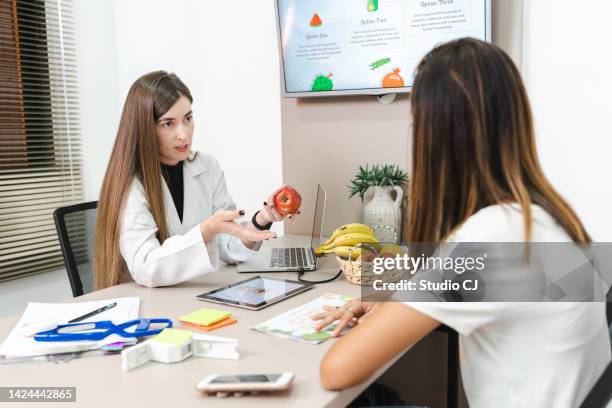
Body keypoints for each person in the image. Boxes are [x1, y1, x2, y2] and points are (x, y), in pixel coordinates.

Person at [313, 39, 611, 408]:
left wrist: (396, 308)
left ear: (438, 136)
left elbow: (336, 370)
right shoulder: (546, 217)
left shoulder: (491, 236)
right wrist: (401, 304)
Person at [94, 71, 290, 289]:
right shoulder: (131, 183)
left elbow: (226, 246)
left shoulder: (207, 166)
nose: (184, 134)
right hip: (148, 304)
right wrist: (206, 231)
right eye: (168, 123)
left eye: (187, 119)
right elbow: (146, 268)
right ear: (144, 128)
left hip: (189, 295)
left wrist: (261, 220)